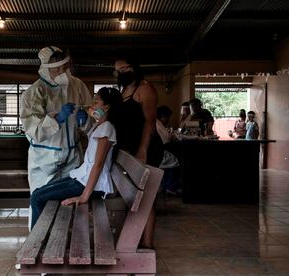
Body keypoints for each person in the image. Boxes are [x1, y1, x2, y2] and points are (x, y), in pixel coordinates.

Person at [29, 87, 122, 228]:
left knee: (37, 198)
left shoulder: (107, 128)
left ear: (107, 107)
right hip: (81, 178)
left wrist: (84, 196)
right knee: (37, 193)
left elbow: (98, 165)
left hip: (88, 184)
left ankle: (38, 243)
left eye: (96, 102)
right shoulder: (99, 126)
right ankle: (42, 237)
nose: (91, 106)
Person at [20, 46, 93, 221]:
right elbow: (32, 130)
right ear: (46, 69)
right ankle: (38, 243)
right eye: (57, 69)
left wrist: (86, 121)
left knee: (70, 204)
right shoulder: (34, 92)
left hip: (73, 156)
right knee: (40, 202)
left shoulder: (78, 85)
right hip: (44, 160)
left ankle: (66, 241)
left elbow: (93, 115)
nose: (62, 72)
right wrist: (56, 119)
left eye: (64, 67)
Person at [114, 58, 163, 249]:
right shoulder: (123, 90)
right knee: (133, 195)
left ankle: (148, 243)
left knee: (147, 197)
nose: (119, 73)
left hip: (146, 148)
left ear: (133, 68)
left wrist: (143, 150)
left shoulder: (145, 88)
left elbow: (149, 122)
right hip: (128, 150)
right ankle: (134, 237)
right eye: (116, 70)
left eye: (123, 69)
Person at [156, 106, 180, 194]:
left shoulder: (158, 123)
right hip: (160, 152)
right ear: (162, 116)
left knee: (172, 161)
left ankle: (166, 186)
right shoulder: (157, 125)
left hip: (161, 150)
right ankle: (170, 186)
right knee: (176, 161)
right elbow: (165, 141)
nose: (168, 120)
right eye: (167, 117)